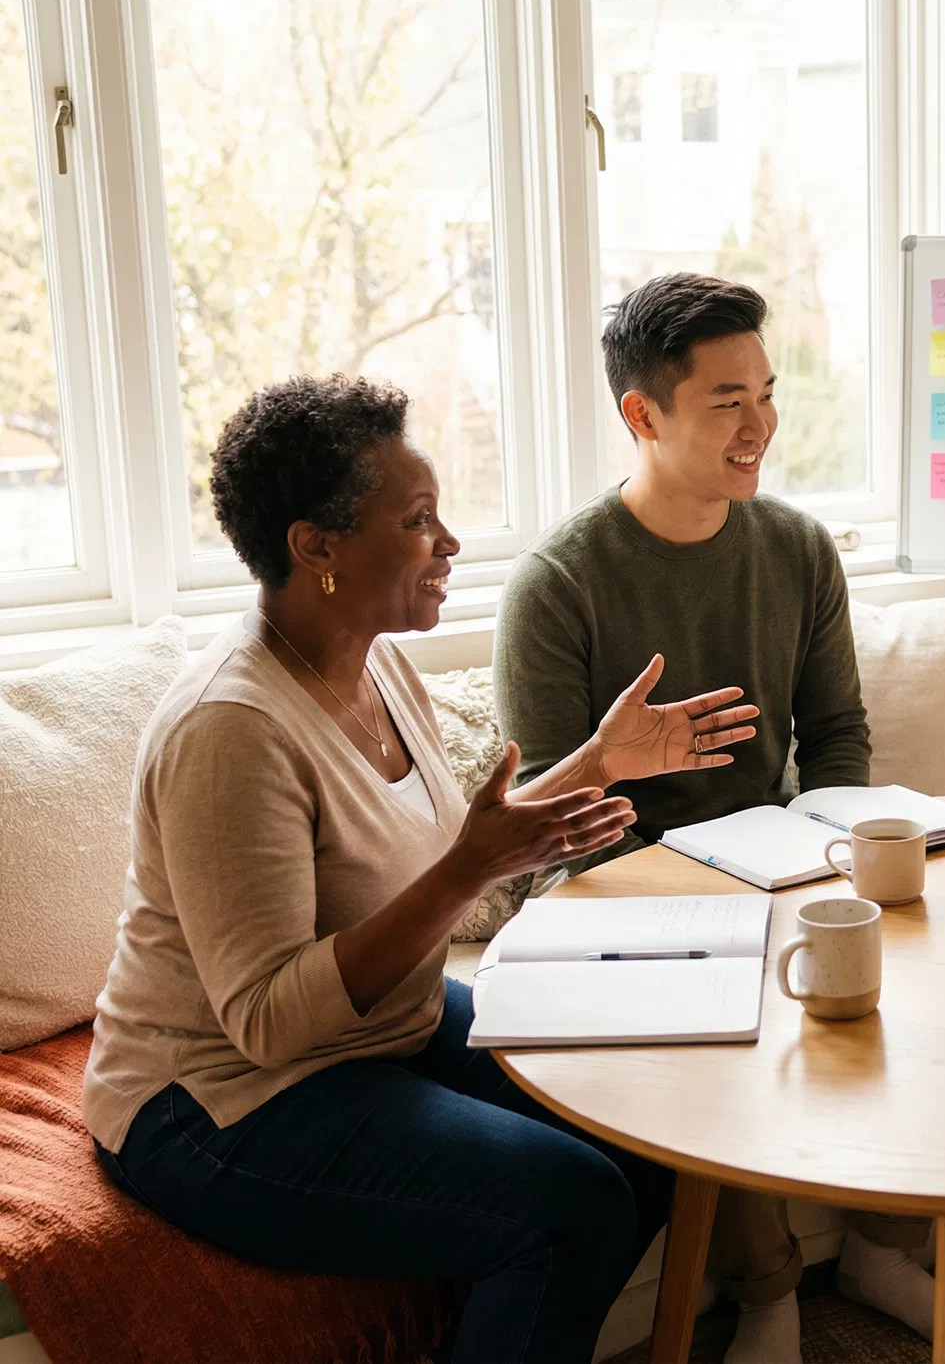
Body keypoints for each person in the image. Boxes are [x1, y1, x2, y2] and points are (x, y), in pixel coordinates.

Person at [85, 375, 765, 1364]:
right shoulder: (230, 732)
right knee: (569, 1203)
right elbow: (268, 1020)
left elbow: (462, 848)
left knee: (647, 1129)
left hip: (373, 1031)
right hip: (215, 1100)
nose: (450, 543)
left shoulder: (375, 660)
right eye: (416, 522)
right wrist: (464, 872)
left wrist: (600, 761)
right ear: (315, 548)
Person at [494, 273, 945, 1363]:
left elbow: (840, 733)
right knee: (711, 996)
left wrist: (839, 851)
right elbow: (550, 812)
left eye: (767, 392)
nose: (761, 425)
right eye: (727, 401)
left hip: (778, 855)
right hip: (611, 881)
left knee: (909, 946)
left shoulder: (797, 549)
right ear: (644, 415)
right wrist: (694, 897)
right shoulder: (558, 583)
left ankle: (880, 1247)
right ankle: (765, 1291)